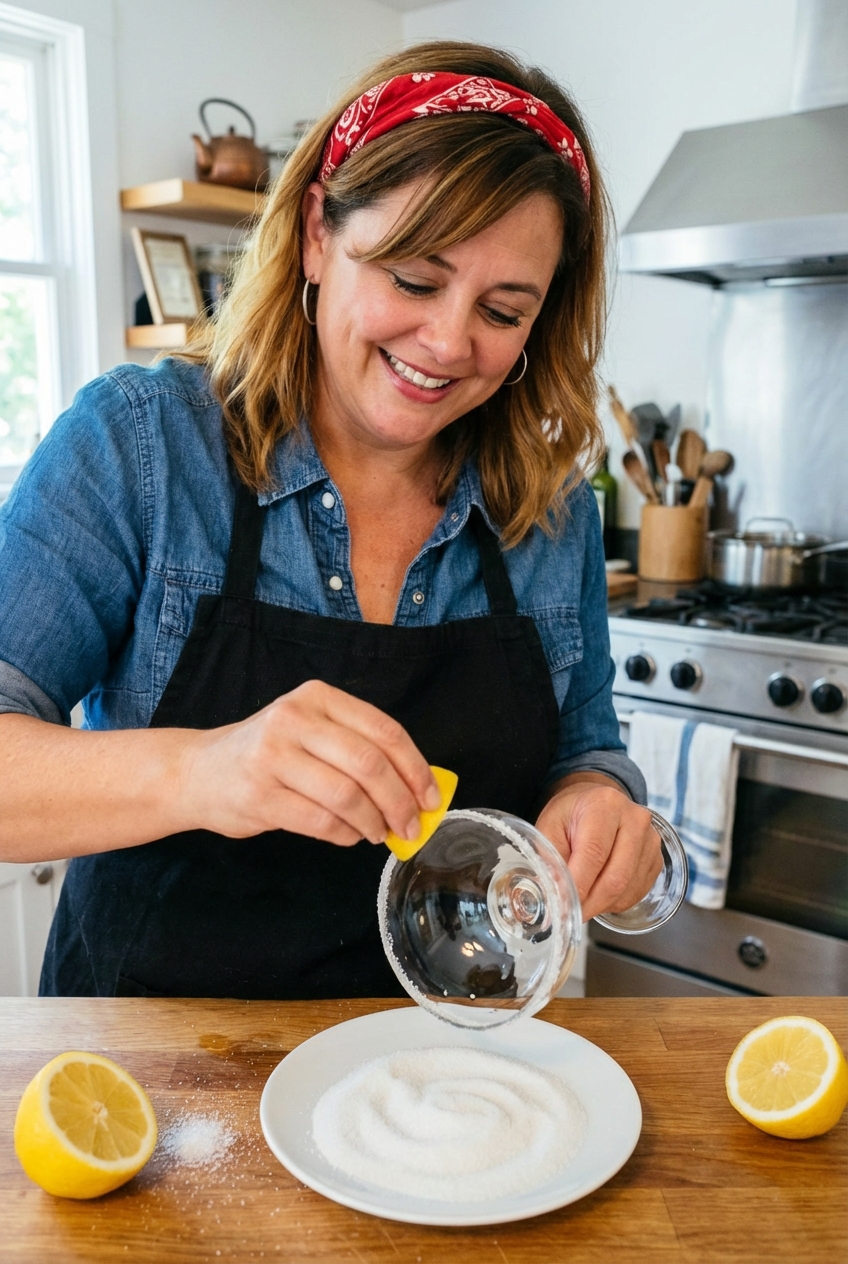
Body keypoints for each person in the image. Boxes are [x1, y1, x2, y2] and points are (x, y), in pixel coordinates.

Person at [0, 41, 661, 999]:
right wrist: (206, 771)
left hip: (444, 1085)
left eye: (504, 309)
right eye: (414, 279)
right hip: (157, 1088)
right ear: (317, 231)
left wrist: (600, 801)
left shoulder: (549, 511)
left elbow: (585, 750)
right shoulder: (141, 446)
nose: (448, 343)